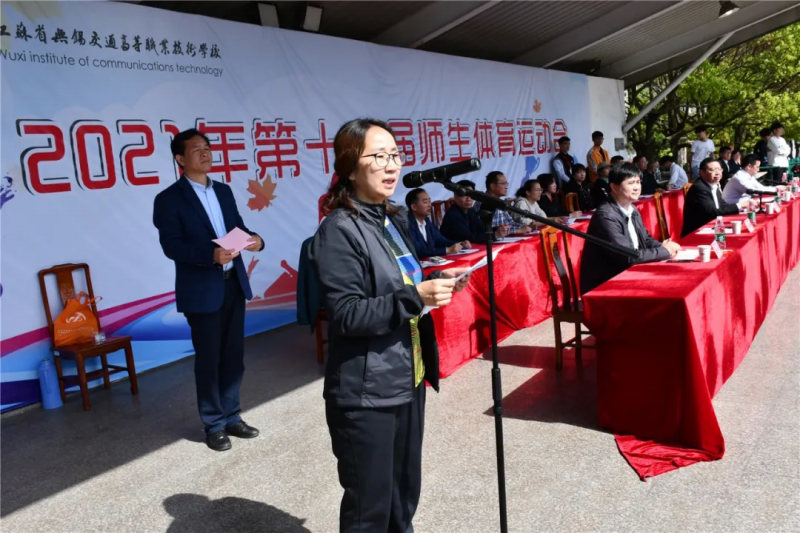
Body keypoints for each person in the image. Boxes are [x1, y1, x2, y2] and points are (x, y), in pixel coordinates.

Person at [309, 118, 471, 533]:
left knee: (403, 498)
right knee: (371, 510)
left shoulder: (389, 220)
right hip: (367, 393)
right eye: (378, 156)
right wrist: (416, 297)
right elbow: (347, 313)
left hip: (407, 376)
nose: (391, 165)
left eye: (395, 155)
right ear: (349, 167)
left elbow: (399, 285)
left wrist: (435, 282)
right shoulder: (338, 230)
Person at [152, 129, 265, 451]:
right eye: (196, 149)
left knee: (233, 357)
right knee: (209, 359)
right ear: (180, 159)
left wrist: (255, 239)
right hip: (201, 291)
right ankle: (214, 424)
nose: (205, 153)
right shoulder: (168, 199)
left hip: (233, 285)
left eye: (207, 147)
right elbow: (171, 246)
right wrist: (209, 255)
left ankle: (232, 416)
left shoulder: (223, 191)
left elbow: (238, 229)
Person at [580, 163, 681, 295]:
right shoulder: (606, 216)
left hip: (629, 273)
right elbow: (628, 256)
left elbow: (646, 239)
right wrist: (664, 251)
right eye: (631, 183)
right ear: (614, 187)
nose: (636, 187)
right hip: (608, 283)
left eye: (638, 182)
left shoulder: (632, 209)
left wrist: (666, 247)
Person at [681, 158, 743, 237]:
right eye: (713, 170)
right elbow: (713, 212)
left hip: (713, 228)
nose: (717, 173)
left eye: (719, 169)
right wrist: (740, 205)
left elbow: (723, 206)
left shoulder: (714, 185)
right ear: (702, 172)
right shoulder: (700, 188)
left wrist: (742, 208)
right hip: (697, 233)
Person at [405, 188, 469, 258]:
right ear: (414, 207)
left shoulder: (427, 221)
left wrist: (460, 244)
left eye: (429, 201)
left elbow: (441, 240)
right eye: (425, 202)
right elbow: (419, 251)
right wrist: (448, 250)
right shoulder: (407, 225)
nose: (429, 205)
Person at [440, 179, 508, 243]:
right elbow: (469, 238)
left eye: (471, 195)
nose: (469, 199)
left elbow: (481, 230)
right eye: (464, 195)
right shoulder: (452, 215)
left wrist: (498, 230)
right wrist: (495, 235)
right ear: (455, 196)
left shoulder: (471, 210)